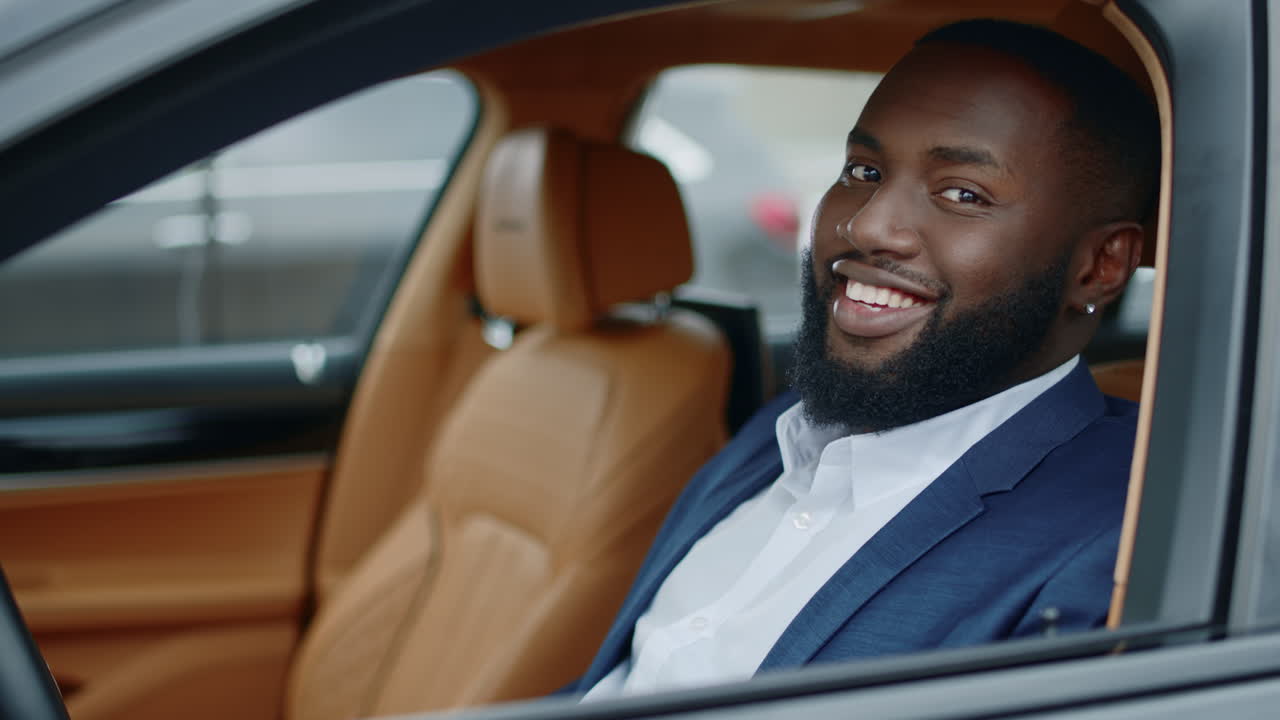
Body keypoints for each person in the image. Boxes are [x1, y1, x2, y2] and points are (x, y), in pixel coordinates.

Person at [573, 18, 1160, 700]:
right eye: (863, 172)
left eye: (962, 193)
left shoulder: (1121, 536)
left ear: (1099, 266)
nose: (868, 224)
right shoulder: (781, 433)